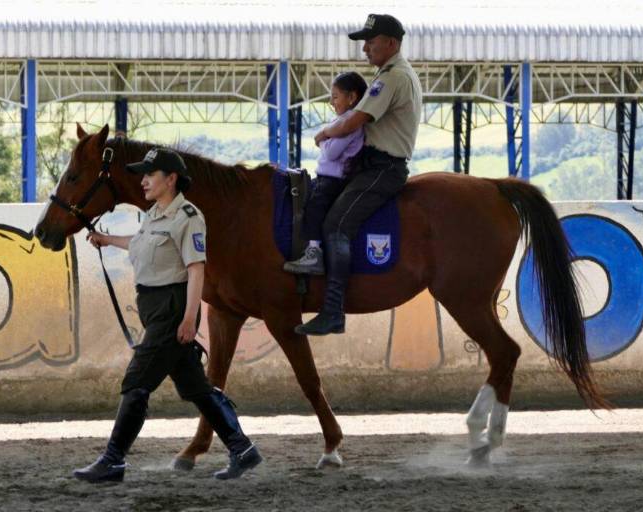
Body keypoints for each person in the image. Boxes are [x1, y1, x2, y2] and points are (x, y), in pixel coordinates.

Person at [73, 147, 262, 482]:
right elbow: (142, 243)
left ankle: (113, 460)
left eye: (150, 174)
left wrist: (189, 319)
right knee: (197, 389)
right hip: (155, 308)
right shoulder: (155, 214)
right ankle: (242, 449)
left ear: (171, 179)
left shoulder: (188, 217)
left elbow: (196, 270)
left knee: (137, 383)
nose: (142, 180)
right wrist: (107, 239)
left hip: (172, 310)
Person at [295, 14, 422, 336]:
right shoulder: (388, 74)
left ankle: (333, 310)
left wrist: (325, 133)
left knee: (337, 224)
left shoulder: (392, 77)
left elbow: (356, 120)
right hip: (369, 165)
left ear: (391, 43)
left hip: (383, 168)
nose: (365, 48)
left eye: (371, 41)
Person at [283, 71, 368, 275]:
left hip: (333, 180)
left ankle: (315, 252)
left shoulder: (350, 123)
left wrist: (323, 139)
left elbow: (330, 152)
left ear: (352, 97)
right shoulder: (342, 121)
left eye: (336, 97)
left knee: (315, 208)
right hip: (327, 177)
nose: (331, 102)